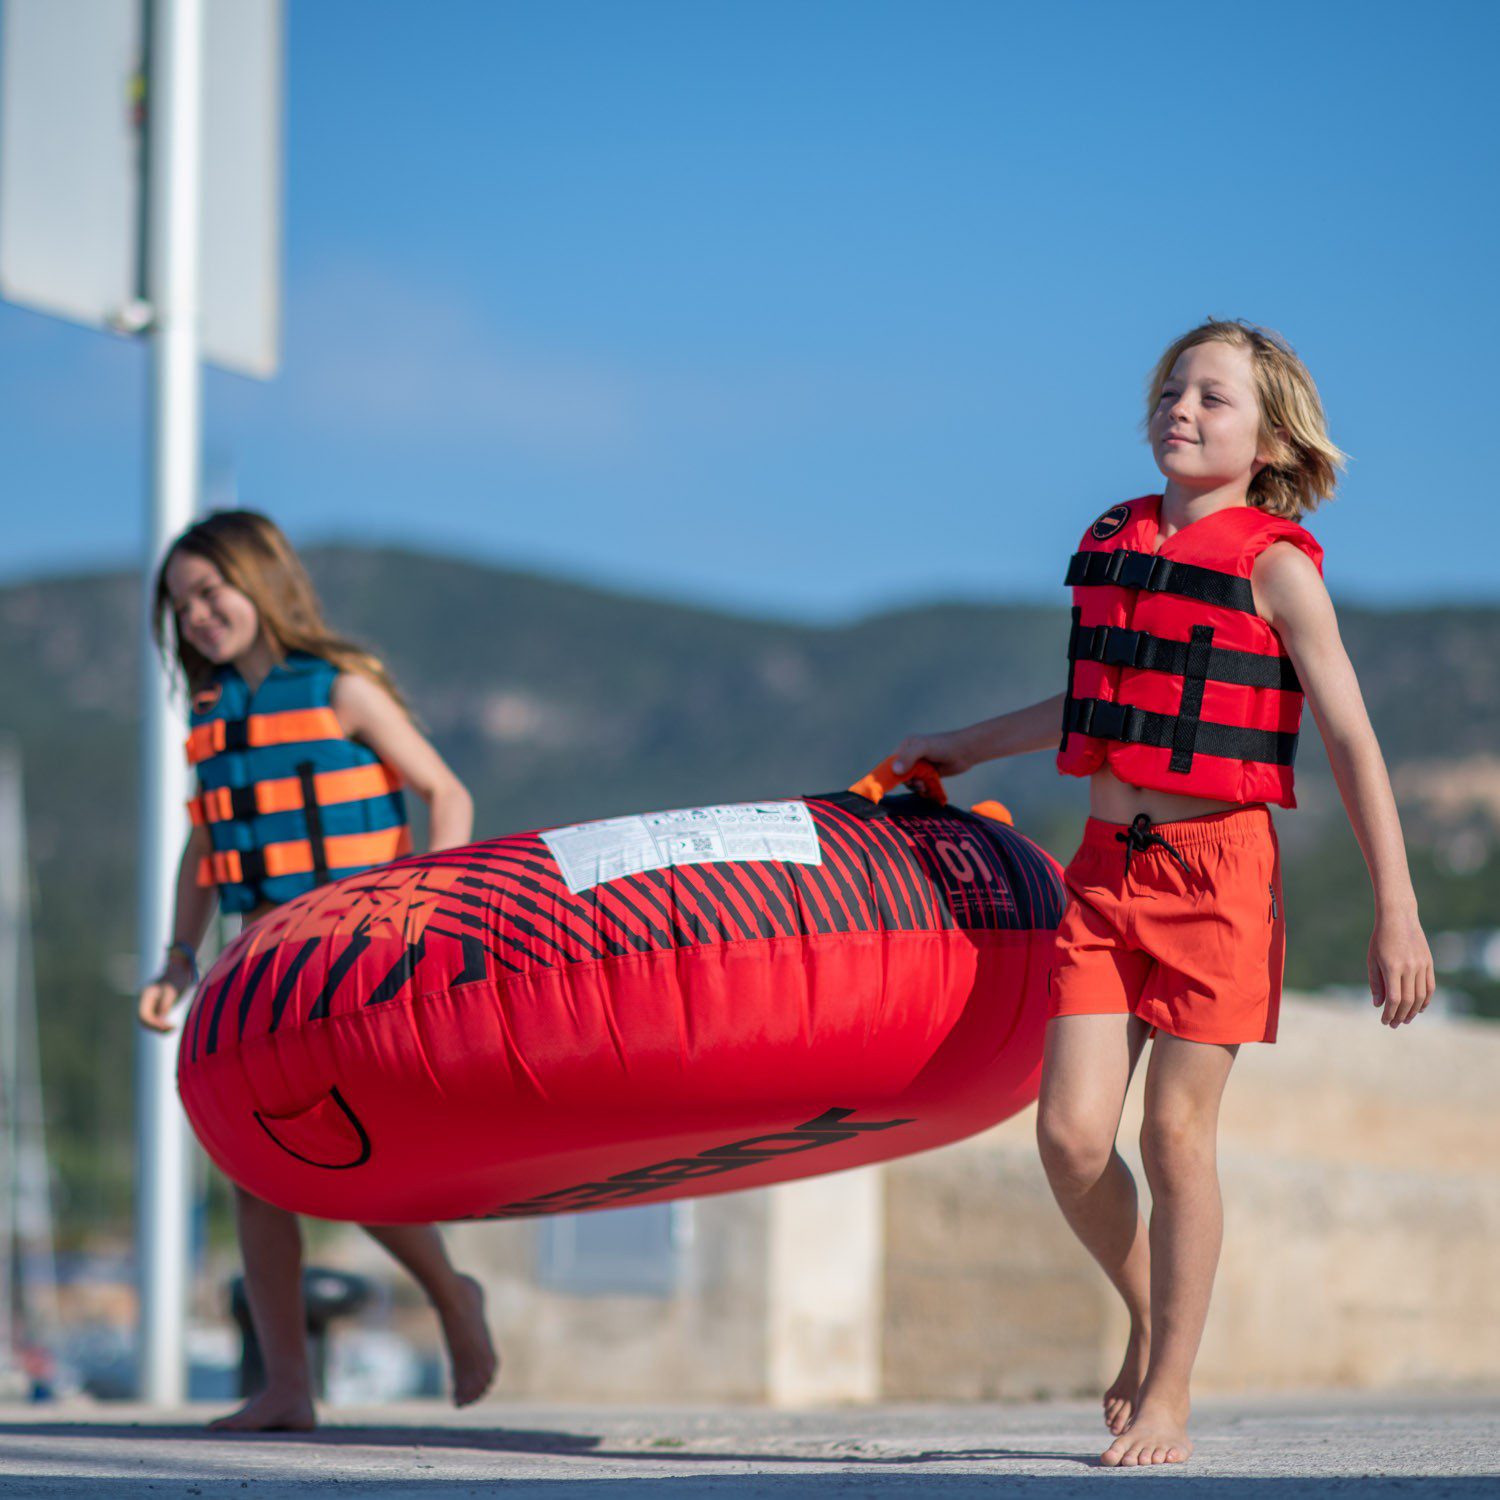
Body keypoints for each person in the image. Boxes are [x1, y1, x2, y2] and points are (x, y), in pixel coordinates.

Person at [888, 319, 1434, 1468]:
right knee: (1071, 1139)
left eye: (1214, 398)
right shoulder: (1113, 544)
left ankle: (1171, 1394)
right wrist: (963, 746)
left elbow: (1350, 738)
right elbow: (1090, 706)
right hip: (1101, 876)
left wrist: (1398, 909)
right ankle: (1150, 1315)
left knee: (1178, 1137)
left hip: (1219, 880)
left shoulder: (1277, 567)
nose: (1183, 409)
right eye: (1172, 390)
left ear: (1270, 438)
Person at [137, 509, 498, 1431]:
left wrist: (433, 912)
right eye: (181, 605)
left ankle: (452, 1294)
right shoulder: (215, 718)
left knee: (348, 1162)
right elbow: (205, 851)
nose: (198, 617)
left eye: (211, 593)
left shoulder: (340, 692)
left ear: (262, 584)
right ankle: (288, 1388)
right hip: (255, 966)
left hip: (350, 955)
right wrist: (179, 962)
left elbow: (445, 791)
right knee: (254, 1172)